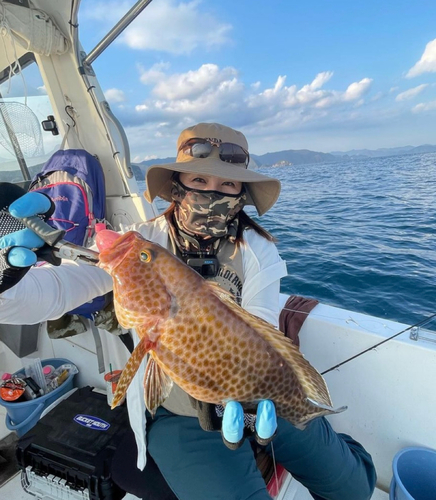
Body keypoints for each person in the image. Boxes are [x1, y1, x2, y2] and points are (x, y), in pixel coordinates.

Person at [0, 123, 376, 500]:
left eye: (227, 185)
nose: (213, 192)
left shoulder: (257, 250)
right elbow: (53, 292)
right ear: (177, 186)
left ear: (241, 193)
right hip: (178, 416)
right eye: (200, 179)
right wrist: (6, 275)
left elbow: (257, 330)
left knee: (355, 489)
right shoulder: (143, 242)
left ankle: (333, 445)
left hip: (261, 393)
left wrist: (249, 404)